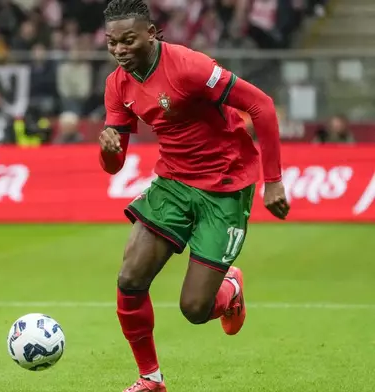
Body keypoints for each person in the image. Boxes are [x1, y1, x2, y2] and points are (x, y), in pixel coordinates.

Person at [98, 1, 290, 391]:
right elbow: (114, 167)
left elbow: (262, 105)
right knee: (129, 278)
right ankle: (150, 379)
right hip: (172, 182)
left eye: (128, 40)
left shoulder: (189, 67)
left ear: (152, 34)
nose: (119, 50)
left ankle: (230, 289)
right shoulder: (118, 84)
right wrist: (109, 150)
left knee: (195, 309)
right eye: (112, 42)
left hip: (226, 185)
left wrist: (273, 181)